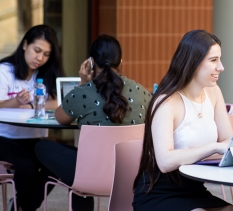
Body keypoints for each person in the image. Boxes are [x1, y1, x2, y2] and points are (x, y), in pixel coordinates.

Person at [35, 34, 151, 211]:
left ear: (90, 62)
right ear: (121, 61)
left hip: (91, 173)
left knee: (42, 147)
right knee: (75, 161)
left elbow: (60, 118)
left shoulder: (82, 93)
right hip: (131, 174)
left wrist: (82, 82)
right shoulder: (141, 92)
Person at [133, 30, 233, 211]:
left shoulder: (213, 92)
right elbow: (165, 162)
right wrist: (212, 147)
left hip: (194, 188)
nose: (221, 67)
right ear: (193, 62)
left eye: (219, 59)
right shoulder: (167, 101)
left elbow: (229, 141)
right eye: (213, 60)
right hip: (158, 192)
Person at [0, 24, 65, 211]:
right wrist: (16, 101)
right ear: (25, 45)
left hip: (34, 137)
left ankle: (21, 208)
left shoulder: (45, 73)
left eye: (46, 54)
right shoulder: (4, 70)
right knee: (27, 165)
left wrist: (29, 104)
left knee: (57, 162)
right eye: (37, 51)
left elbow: (59, 102)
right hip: (5, 136)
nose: (40, 58)